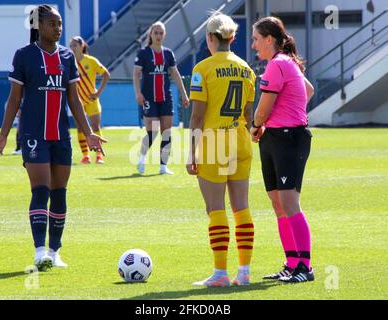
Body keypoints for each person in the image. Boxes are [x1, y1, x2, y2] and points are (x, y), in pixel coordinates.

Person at [0, 5, 106, 271]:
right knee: (40, 190)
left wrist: (89, 133)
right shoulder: (24, 56)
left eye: (60, 23)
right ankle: (40, 251)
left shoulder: (67, 57)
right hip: (33, 135)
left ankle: (55, 251)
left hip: (61, 136)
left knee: (60, 193)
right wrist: (3, 135)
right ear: (39, 26)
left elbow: (74, 99)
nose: (59, 28)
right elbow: (14, 99)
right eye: (53, 23)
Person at [187, 13, 256, 287]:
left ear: (211, 38)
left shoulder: (202, 69)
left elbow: (197, 117)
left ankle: (220, 274)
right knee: (242, 208)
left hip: (214, 142)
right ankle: (245, 272)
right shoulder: (247, 69)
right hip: (240, 140)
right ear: (233, 38)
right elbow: (249, 114)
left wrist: (192, 152)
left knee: (215, 209)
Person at [250, 16, 315, 283]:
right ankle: (291, 262)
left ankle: (305, 267)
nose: (253, 45)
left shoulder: (277, 64)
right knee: (278, 204)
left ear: (269, 39)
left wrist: (255, 125)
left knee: (289, 203)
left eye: (255, 39)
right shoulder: (286, 63)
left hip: (288, 137)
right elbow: (307, 90)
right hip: (276, 136)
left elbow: (263, 108)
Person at [133, 21, 189, 175]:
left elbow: (175, 74)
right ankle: (142, 159)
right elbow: (136, 74)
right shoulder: (143, 53)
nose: (158, 35)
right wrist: (138, 93)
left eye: (161, 33)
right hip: (149, 98)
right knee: (153, 131)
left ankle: (163, 166)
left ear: (164, 35)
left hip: (165, 98)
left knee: (167, 132)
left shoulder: (168, 53)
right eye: (155, 32)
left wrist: (184, 94)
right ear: (151, 34)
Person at [69, 36, 110, 164]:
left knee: (95, 126)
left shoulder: (91, 61)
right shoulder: (69, 62)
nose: (72, 48)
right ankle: (85, 156)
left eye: (75, 45)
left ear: (82, 46)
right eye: (71, 46)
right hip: (77, 101)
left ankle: (99, 156)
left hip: (91, 99)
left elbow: (106, 74)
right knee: (80, 128)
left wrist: (98, 92)